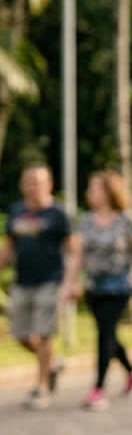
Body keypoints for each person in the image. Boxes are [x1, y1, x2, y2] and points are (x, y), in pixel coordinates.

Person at [61, 171, 132, 412]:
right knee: (109, 334)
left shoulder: (128, 219)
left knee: (104, 333)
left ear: (108, 191)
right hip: (95, 286)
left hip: (120, 286)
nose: (89, 193)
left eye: (93, 188)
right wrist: (70, 282)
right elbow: (78, 255)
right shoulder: (87, 220)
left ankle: (98, 388)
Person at [1, 164, 73, 409]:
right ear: (22, 185)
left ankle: (41, 388)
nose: (33, 186)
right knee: (19, 334)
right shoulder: (17, 211)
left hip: (51, 281)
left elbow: (73, 249)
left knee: (44, 334)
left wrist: (72, 282)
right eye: (28, 181)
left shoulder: (58, 213)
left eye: (37, 181)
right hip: (23, 281)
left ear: (49, 184)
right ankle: (52, 364)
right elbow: (9, 246)